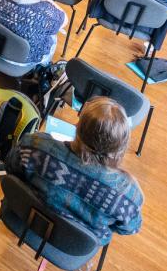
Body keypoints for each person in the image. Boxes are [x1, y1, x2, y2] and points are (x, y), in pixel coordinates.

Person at [7, 96, 144, 244]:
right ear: (120, 145)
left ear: (77, 126)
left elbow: (11, 166)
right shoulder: (127, 195)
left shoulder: (34, 145)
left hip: (23, 217)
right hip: (72, 247)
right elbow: (131, 228)